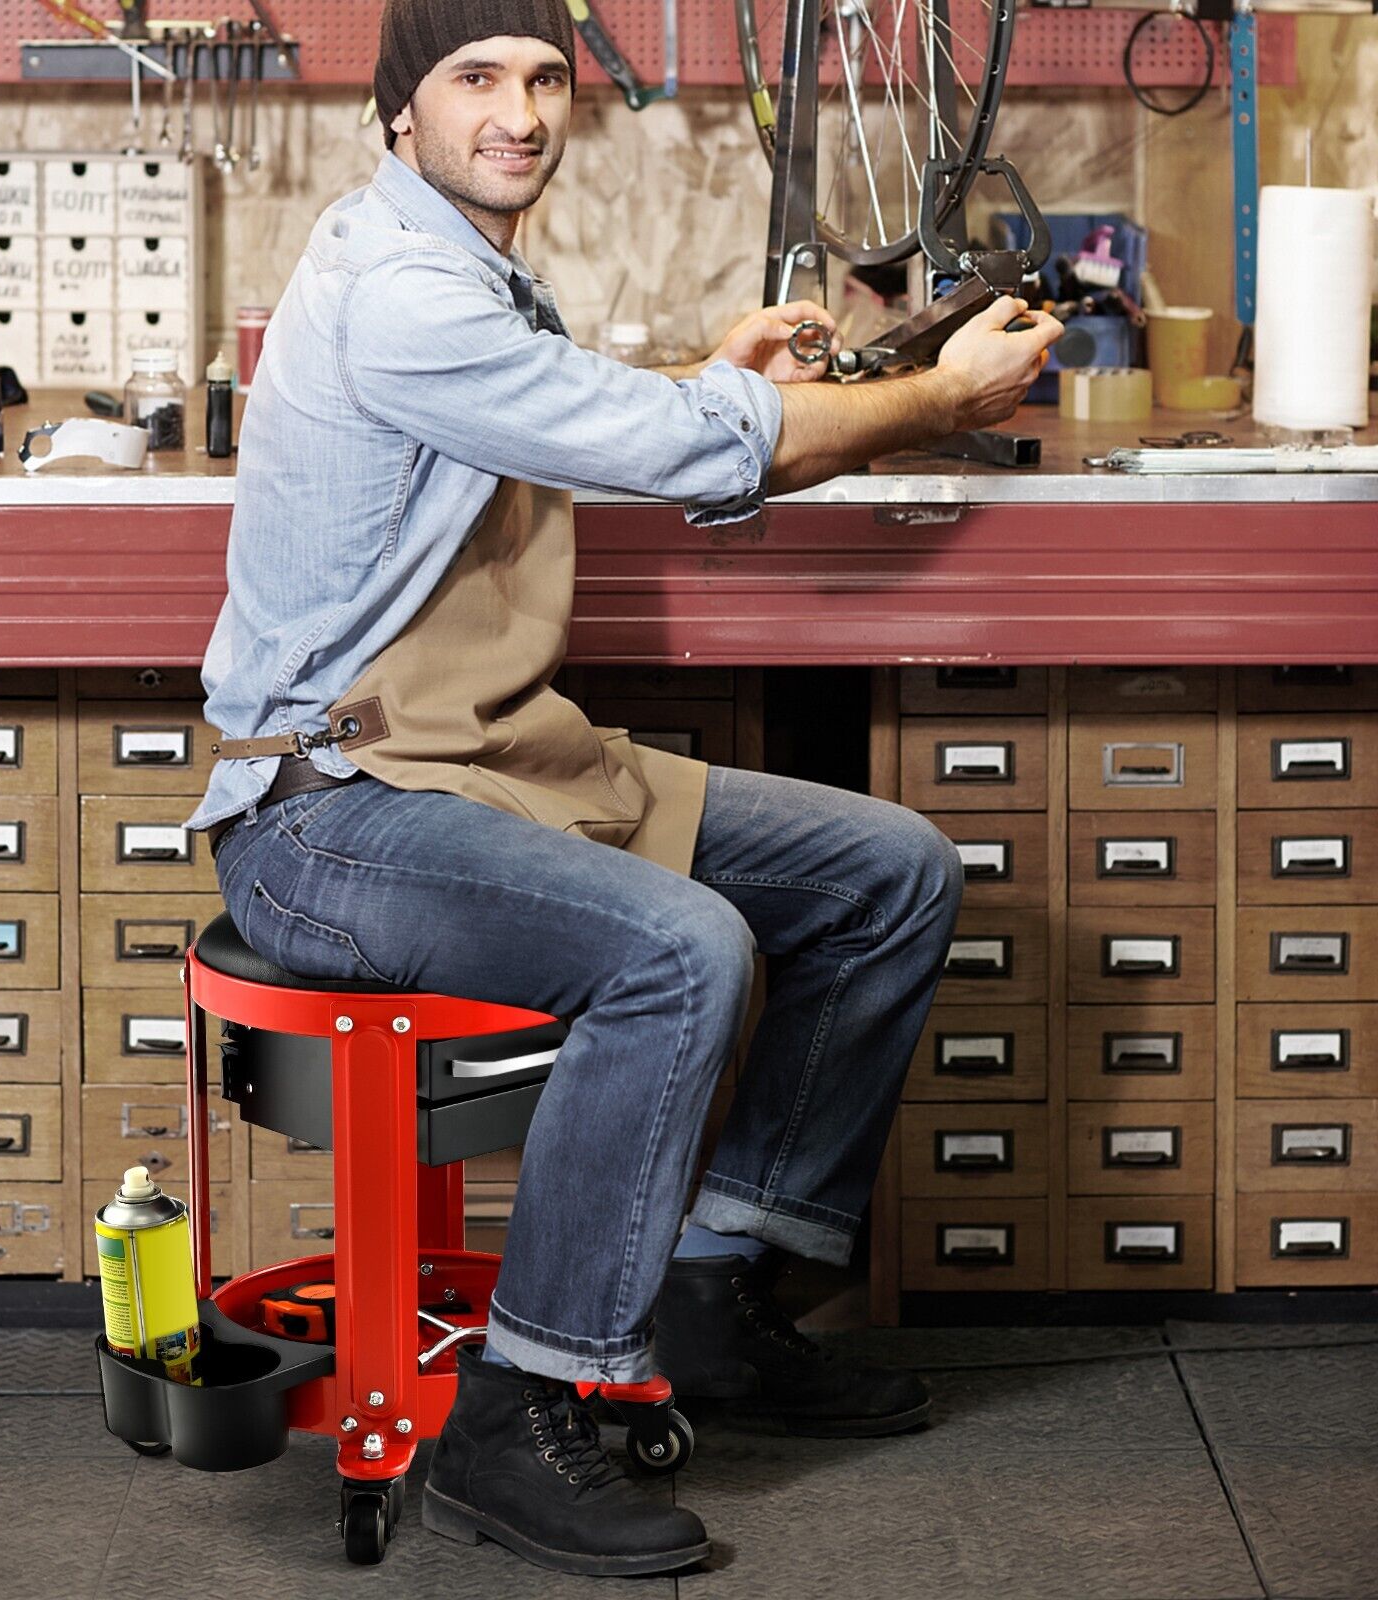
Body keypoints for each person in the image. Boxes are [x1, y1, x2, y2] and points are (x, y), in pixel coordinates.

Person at [190, 0, 1063, 1577]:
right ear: (401, 113)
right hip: (329, 812)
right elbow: (679, 451)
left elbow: (570, 418)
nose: (518, 112)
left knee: (889, 872)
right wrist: (931, 401)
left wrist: (690, 370)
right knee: (681, 949)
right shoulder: (402, 288)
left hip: (485, 760)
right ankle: (520, 1413)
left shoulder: (458, 265)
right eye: (475, 81)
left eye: (541, 78)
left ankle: (721, 1289)